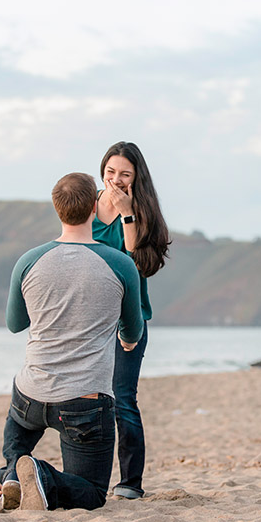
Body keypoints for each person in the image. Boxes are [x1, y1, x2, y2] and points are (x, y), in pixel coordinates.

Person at [0, 172, 144, 511]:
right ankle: (39, 476)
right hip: (84, 403)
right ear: (95, 207)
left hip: (29, 395)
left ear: (57, 209)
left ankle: (13, 474)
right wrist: (123, 338)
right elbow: (132, 332)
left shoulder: (28, 261)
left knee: (16, 444)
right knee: (92, 493)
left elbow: (14, 324)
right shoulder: (120, 264)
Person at [93, 141, 170, 499]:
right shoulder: (88, 203)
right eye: (110, 172)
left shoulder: (142, 210)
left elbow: (136, 262)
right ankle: (90, 478)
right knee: (89, 399)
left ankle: (130, 483)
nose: (116, 180)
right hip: (90, 317)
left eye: (124, 173)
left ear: (137, 176)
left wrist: (126, 213)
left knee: (123, 398)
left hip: (129, 315)